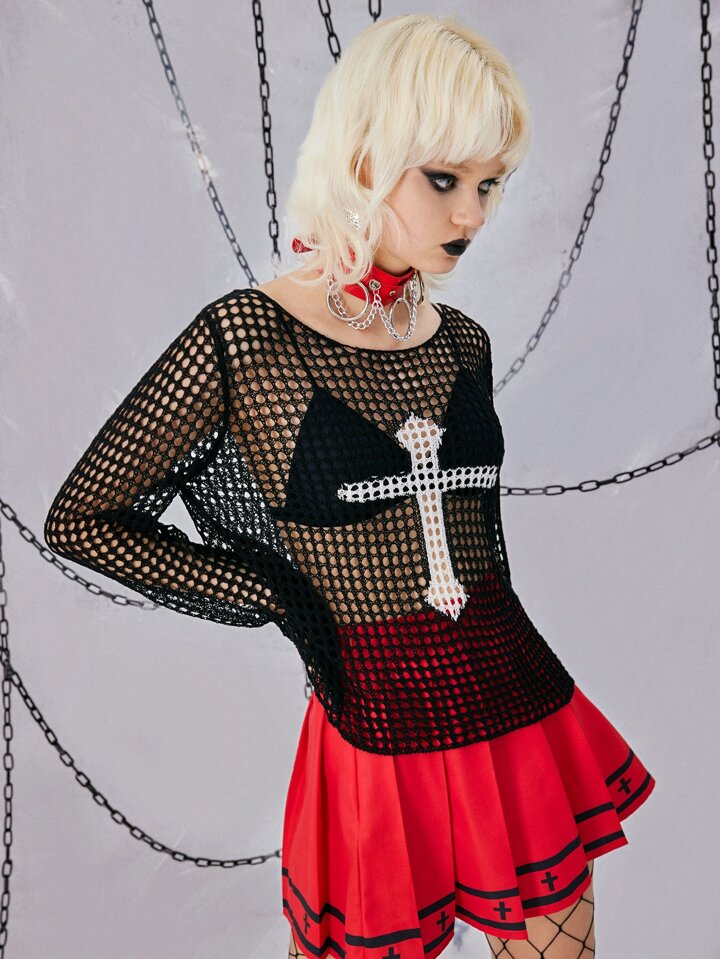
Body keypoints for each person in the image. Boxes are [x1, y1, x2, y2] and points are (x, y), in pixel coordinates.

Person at [44, 12, 655, 959]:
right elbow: (85, 517)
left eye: (491, 184)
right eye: (445, 180)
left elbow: (477, 547)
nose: (473, 216)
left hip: (516, 705)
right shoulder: (248, 339)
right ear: (367, 158)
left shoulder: (463, 344)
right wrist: (276, 595)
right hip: (373, 720)